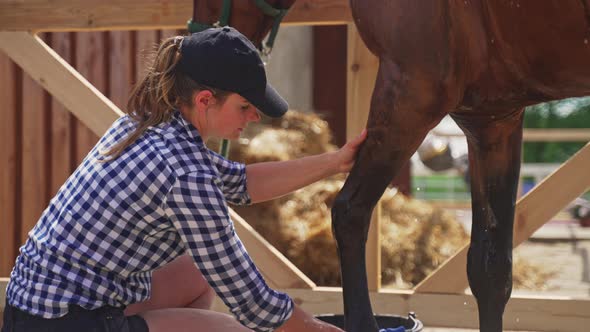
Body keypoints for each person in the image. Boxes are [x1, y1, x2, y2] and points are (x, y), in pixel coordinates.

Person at [1, 27, 366, 332]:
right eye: (244, 106)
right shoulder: (184, 172)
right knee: (234, 330)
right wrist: (317, 330)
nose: (254, 115)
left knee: (197, 271)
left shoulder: (146, 122)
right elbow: (251, 302)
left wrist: (335, 162)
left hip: (34, 307)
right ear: (206, 99)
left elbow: (238, 183)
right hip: (63, 322)